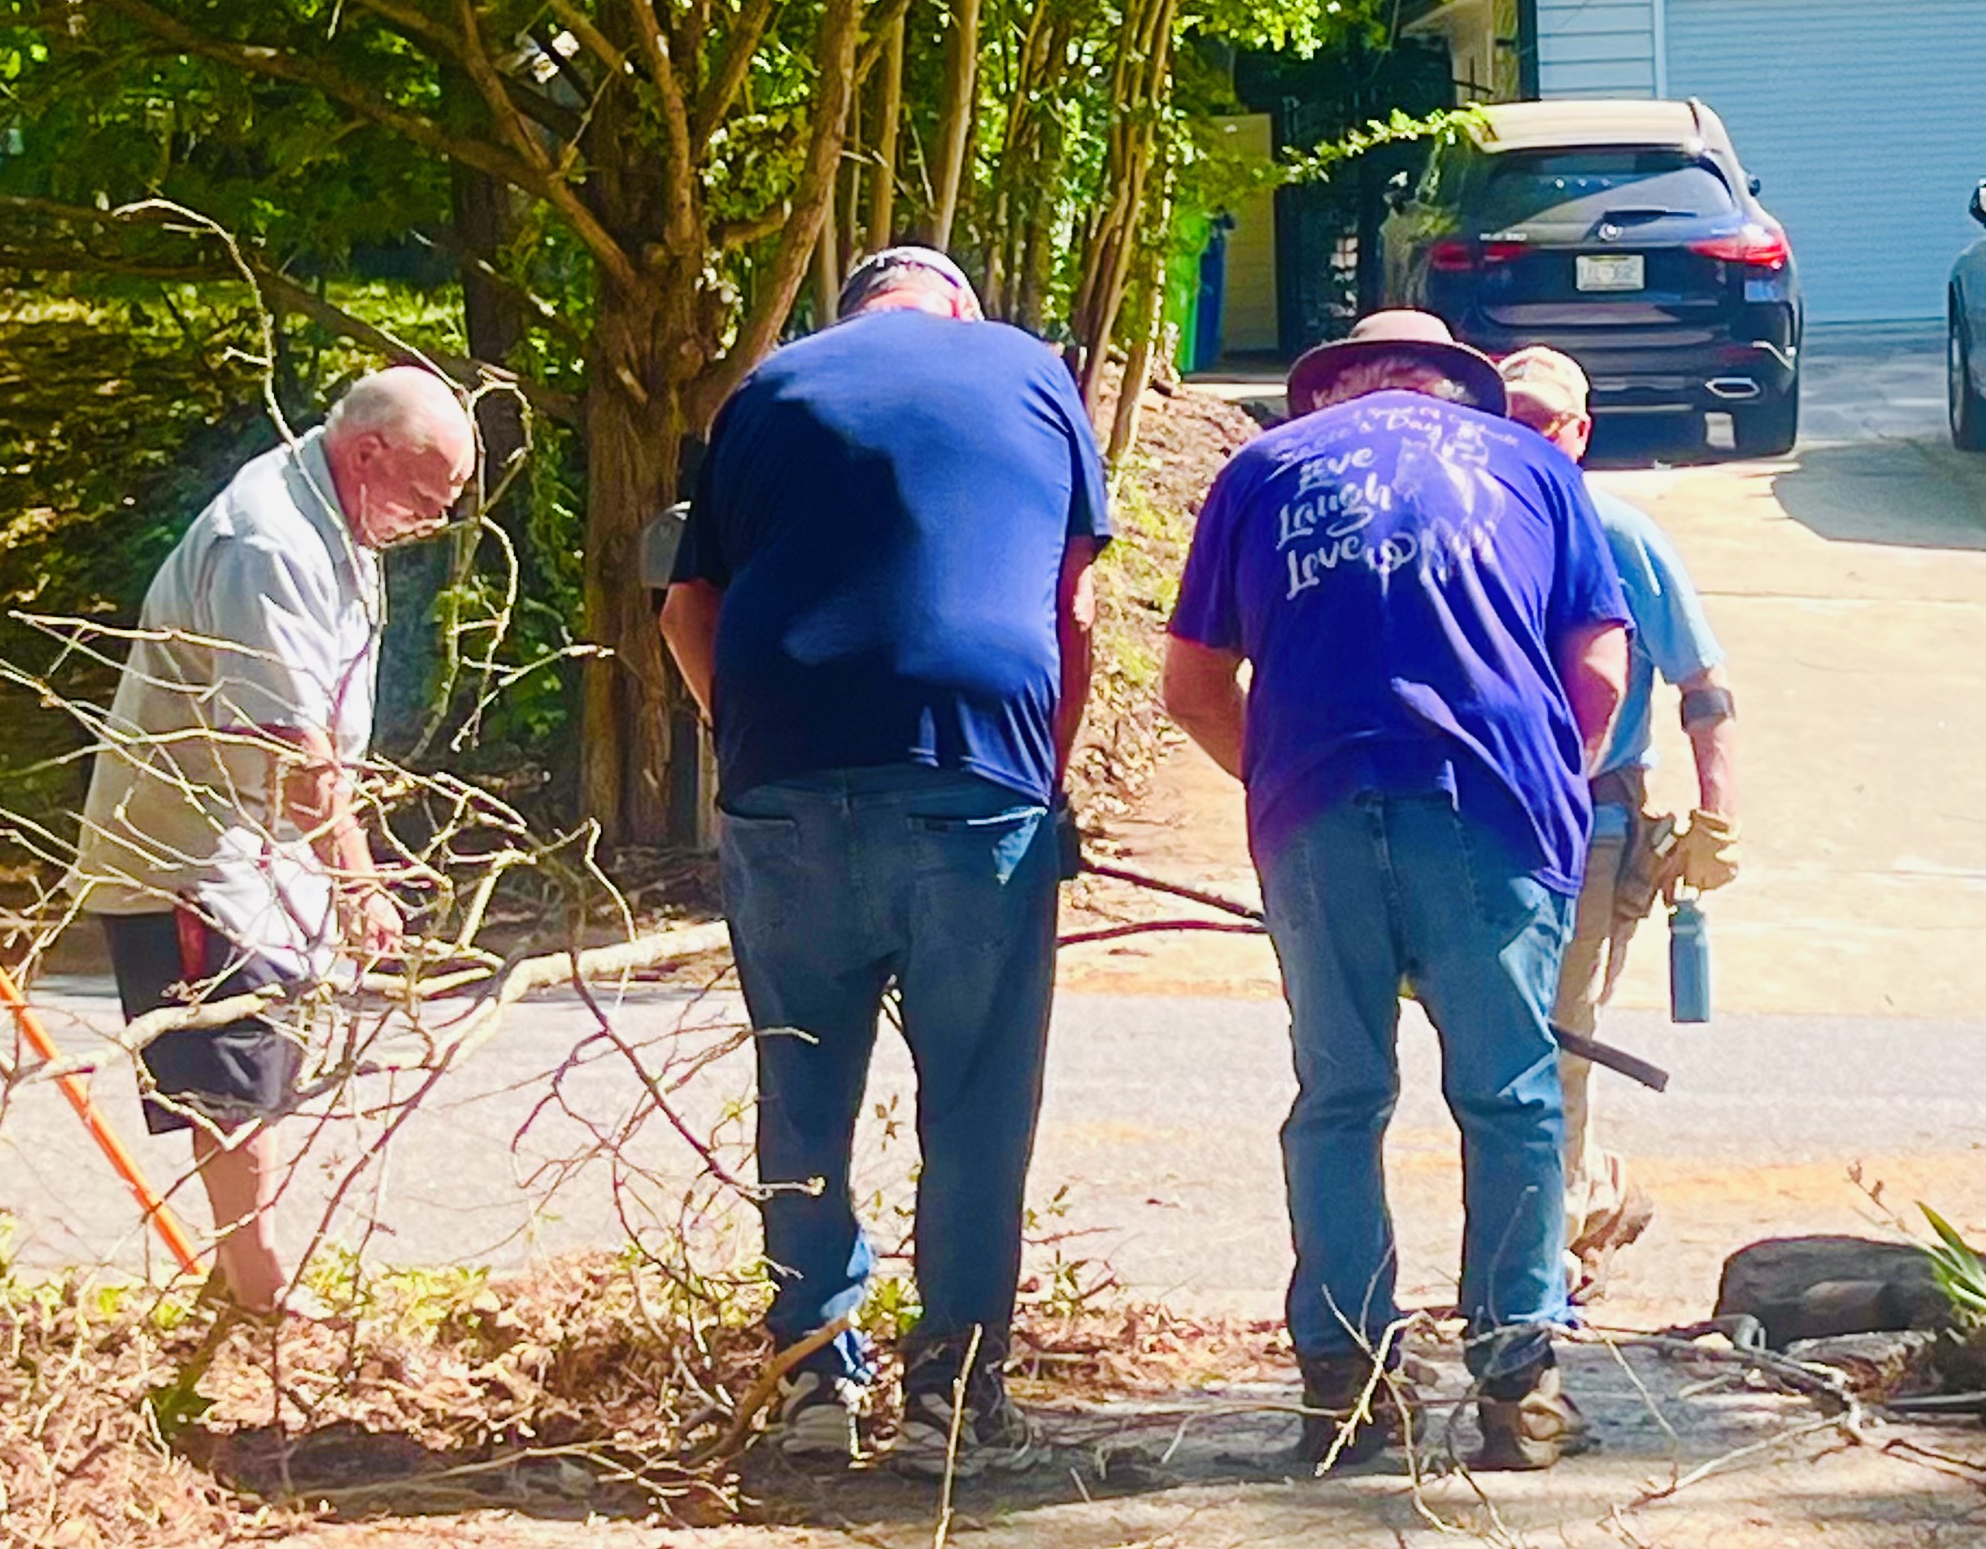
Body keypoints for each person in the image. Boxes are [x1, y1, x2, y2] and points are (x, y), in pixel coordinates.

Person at [658, 245, 1109, 1474]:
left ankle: (811, 1379)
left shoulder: (765, 390)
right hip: (972, 770)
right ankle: (955, 1403)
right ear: (958, 306)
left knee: (801, 1086)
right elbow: (1070, 610)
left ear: (849, 312)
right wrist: (1045, 778)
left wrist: (745, 739)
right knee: (971, 1100)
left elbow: (684, 608)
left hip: (782, 775)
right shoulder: (1028, 371)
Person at [1161, 310, 1629, 1472]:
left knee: (1338, 1091)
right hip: (1490, 805)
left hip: (1315, 806)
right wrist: (1544, 788)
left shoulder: (1260, 467)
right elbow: (1600, 668)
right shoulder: (1529, 462)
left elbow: (1190, 684)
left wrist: (1274, 777)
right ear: (1457, 388)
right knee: (1511, 1092)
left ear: (1327, 391)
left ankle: (1346, 1382)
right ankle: (1519, 1383)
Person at [71, 367, 477, 1316]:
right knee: (230, 1069)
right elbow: (295, 751)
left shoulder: (341, 513)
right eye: (426, 496)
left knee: (267, 1056)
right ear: (367, 452)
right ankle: (257, 1291)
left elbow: (324, 733)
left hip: (264, 849)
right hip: (193, 850)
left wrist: (344, 855)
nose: (430, 520)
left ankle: (237, 1275)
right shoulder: (270, 541)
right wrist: (360, 883)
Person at [1497, 348, 1739, 1287]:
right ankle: (1591, 1191)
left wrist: (1715, 819)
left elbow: (1701, 683)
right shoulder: (1470, 527)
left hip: (1595, 825)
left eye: (1544, 421)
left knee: (1554, 1032)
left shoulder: (1618, 535)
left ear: (1579, 434)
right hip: (1482, 820)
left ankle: (1541, 1257)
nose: (1524, 433)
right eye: (1507, 414)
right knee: (1505, 1039)